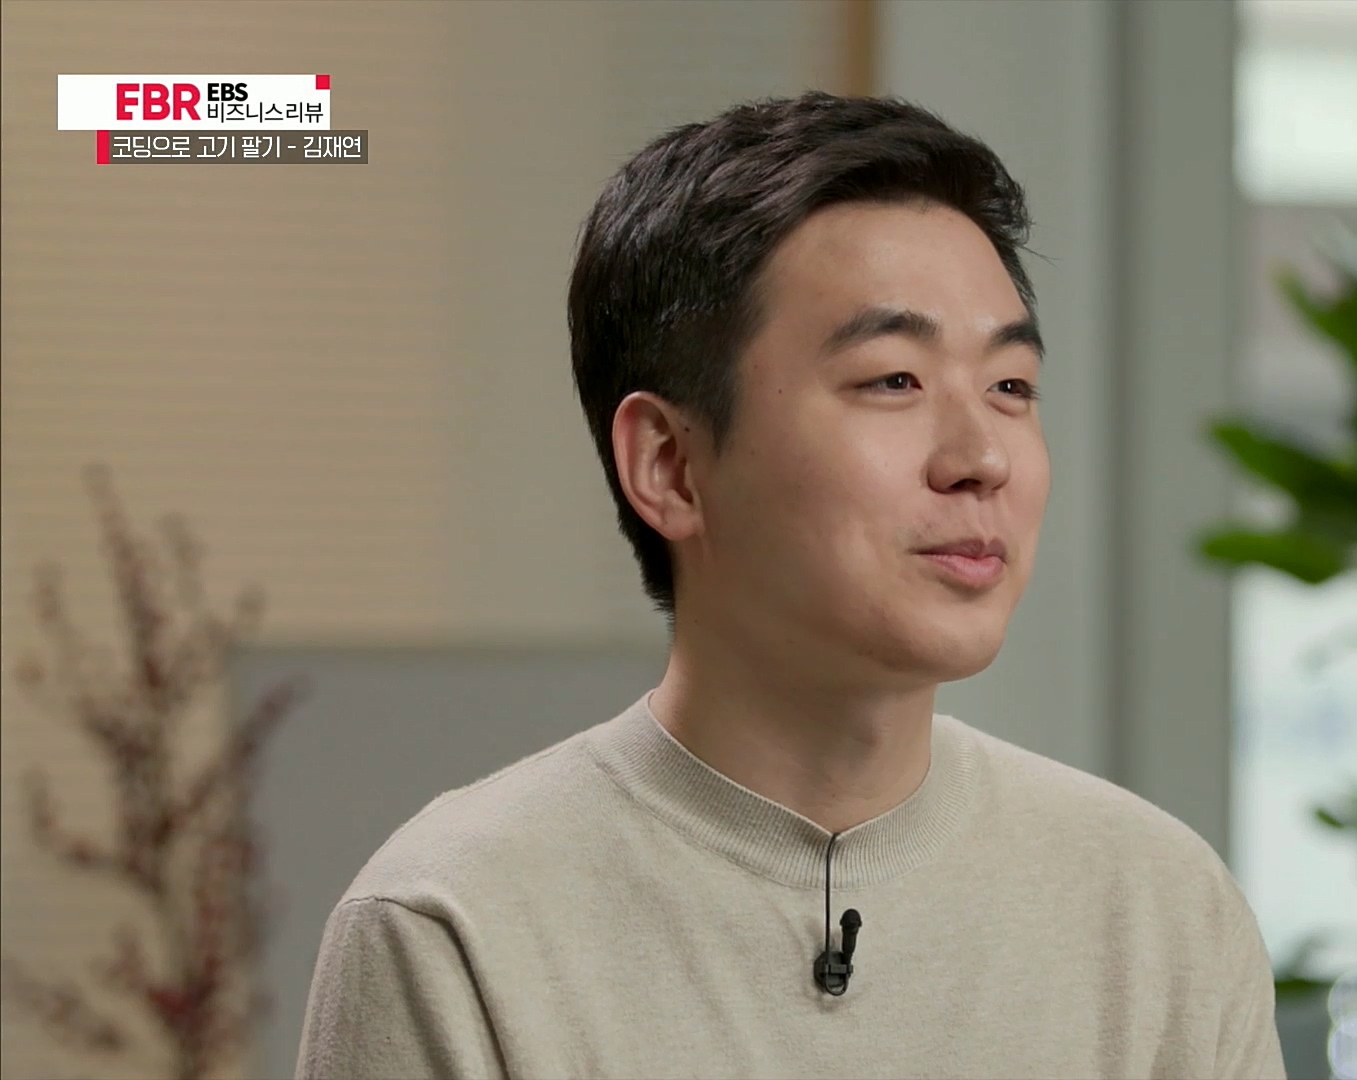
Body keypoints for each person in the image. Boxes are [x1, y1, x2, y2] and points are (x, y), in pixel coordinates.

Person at [294, 90, 1288, 1080]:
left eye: (1010, 387)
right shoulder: (456, 923)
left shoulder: (1160, 913)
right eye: (893, 379)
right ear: (672, 466)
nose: (981, 458)